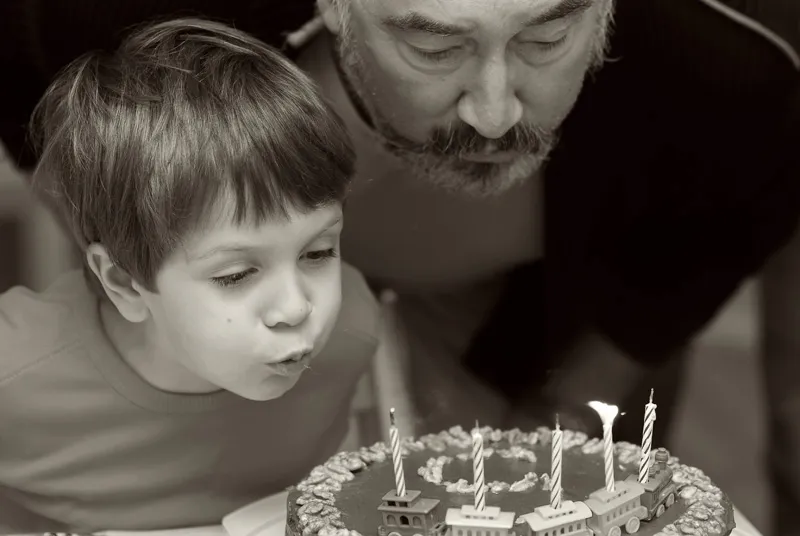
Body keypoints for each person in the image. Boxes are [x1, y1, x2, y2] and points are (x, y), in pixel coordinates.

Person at [1, 0, 799, 532]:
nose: (494, 109)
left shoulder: (739, 87)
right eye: (432, 42)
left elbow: (643, 313)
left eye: (547, 37)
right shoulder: (94, 23)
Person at [0, 17, 381, 533]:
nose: (296, 308)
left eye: (317, 253)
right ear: (125, 283)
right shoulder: (15, 375)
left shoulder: (351, 330)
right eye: (237, 274)